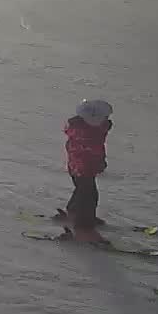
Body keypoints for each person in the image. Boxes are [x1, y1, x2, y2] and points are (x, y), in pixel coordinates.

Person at [60, 99, 112, 243]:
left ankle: (74, 211)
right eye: (103, 118)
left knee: (82, 191)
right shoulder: (86, 133)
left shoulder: (84, 127)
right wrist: (99, 163)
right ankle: (84, 227)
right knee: (89, 196)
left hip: (80, 168)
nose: (105, 121)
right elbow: (94, 149)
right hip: (83, 168)